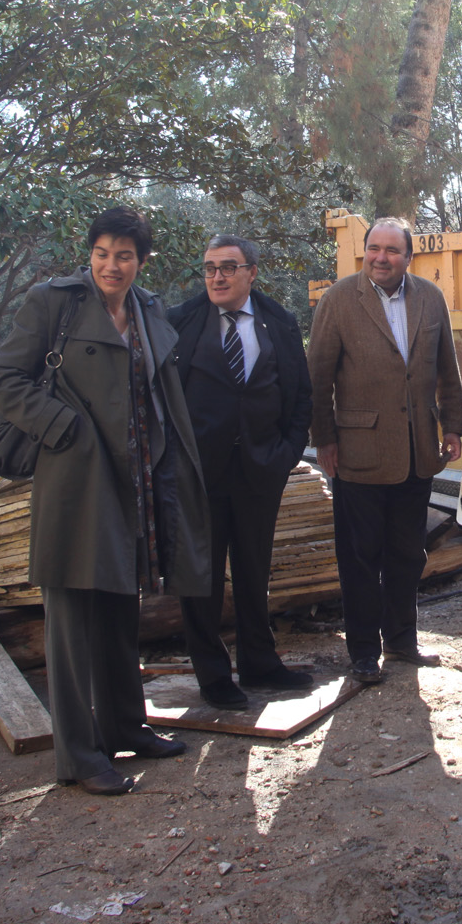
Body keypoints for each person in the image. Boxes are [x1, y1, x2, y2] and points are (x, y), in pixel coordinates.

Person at [0, 206, 209, 795]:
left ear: (141, 261)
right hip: (76, 480)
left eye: (125, 256)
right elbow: (1, 378)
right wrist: (63, 428)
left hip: (137, 482)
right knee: (71, 621)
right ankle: (80, 756)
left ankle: (126, 726)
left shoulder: (148, 309)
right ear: (90, 255)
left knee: (119, 610)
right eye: (103, 253)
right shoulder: (53, 303)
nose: (112, 265)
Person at [308, 217, 462, 684]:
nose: (381, 257)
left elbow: (447, 369)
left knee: (408, 554)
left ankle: (401, 641)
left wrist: (452, 426)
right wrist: (324, 440)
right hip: (357, 454)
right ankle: (362, 652)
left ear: (408, 257)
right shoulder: (339, 300)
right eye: (374, 248)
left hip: (417, 452)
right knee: (360, 559)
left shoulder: (430, 298)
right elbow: (317, 379)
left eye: (392, 250)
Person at [168, 235, 314, 708]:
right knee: (202, 579)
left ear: (252, 272)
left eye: (228, 267)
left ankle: (259, 662)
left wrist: (286, 453)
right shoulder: (179, 321)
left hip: (260, 469)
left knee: (254, 572)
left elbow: (300, 394)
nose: (217, 277)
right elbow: (162, 397)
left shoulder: (280, 322)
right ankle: (213, 675)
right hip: (199, 474)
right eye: (210, 268)